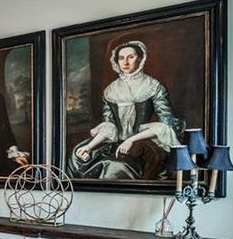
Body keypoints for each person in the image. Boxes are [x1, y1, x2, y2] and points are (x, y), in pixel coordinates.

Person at [68, 40, 183, 180]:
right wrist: (90, 146)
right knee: (77, 154)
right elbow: (109, 125)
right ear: (116, 61)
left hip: (142, 143)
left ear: (140, 58)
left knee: (115, 166)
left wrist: (131, 140)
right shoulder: (111, 90)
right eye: (121, 58)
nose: (126, 62)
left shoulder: (153, 86)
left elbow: (166, 123)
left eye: (131, 57)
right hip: (115, 142)